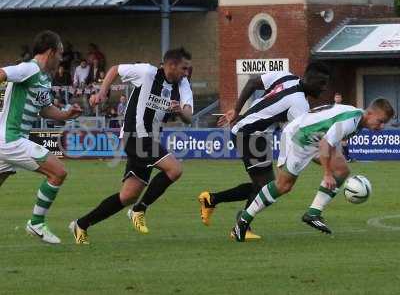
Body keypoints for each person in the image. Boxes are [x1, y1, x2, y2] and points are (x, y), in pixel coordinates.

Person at [69, 47, 193, 244]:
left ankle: (81, 224)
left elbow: (188, 116)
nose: (187, 73)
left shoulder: (183, 84)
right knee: (175, 169)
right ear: (171, 65)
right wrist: (102, 92)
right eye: (184, 69)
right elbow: (115, 69)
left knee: (127, 195)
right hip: (133, 136)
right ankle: (139, 210)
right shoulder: (146, 72)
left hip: (150, 140)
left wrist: (179, 111)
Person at [198, 62, 331, 240]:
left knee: (265, 186)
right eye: (322, 84)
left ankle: (225, 210)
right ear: (309, 78)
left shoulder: (286, 76)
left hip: (250, 133)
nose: (324, 89)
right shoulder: (300, 106)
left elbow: (253, 82)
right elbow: (303, 142)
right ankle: (221, 208)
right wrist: (327, 164)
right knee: (268, 187)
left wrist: (237, 111)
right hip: (250, 135)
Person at [232, 98, 394, 241]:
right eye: (380, 121)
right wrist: (327, 174)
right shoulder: (350, 121)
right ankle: (243, 222)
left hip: (313, 137)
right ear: (370, 113)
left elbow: (328, 138)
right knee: (283, 185)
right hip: (299, 136)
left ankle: (313, 213)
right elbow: (325, 144)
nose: (381, 126)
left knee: (342, 170)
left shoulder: (357, 118)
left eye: (384, 123)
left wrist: (332, 166)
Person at [0, 30, 82, 244]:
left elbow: (45, 110)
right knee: (58, 172)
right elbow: (2, 73)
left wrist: (65, 114)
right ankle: (36, 223)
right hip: (11, 139)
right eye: (60, 53)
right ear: (51, 51)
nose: (62, 58)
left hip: (10, 141)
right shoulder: (29, 68)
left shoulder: (44, 78)